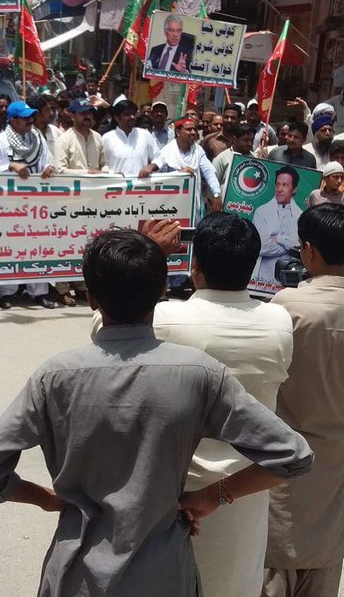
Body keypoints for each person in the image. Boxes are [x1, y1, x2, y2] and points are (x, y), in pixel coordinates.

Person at [0, 228, 313, 596]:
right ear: (162, 292)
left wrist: (45, 499)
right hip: (164, 576)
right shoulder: (199, 374)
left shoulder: (55, 377)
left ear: (91, 299)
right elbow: (293, 456)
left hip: (77, 575)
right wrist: (214, 495)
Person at [139, 213, 295, 597]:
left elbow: (106, 324)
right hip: (243, 489)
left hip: (173, 494)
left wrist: (148, 258)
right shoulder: (278, 322)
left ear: (195, 266)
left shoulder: (166, 319)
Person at [265, 204, 344, 597]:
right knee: (323, 563)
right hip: (336, 453)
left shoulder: (286, 306)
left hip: (285, 450)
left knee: (275, 562)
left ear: (309, 249)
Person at [0, 101, 61, 309]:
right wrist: (10, 165)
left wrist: (49, 168)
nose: (30, 120)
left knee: (37, 245)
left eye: (31, 116)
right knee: (8, 247)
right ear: (13, 120)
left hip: (36, 203)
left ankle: (39, 292)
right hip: (9, 204)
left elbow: (47, 161)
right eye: (25, 117)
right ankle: (6, 292)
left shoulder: (38, 138)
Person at [153, 116, 223, 210]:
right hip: (170, 204)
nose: (193, 132)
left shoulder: (198, 151)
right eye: (189, 129)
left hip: (193, 204)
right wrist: (178, 174)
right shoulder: (167, 152)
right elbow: (158, 179)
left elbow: (209, 172)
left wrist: (216, 193)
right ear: (178, 132)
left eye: (194, 129)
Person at [253, 166, 304, 283]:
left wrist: (278, 239)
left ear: (294, 189)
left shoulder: (301, 216)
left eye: (285, 185)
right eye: (277, 184)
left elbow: (299, 247)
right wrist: (288, 246)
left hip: (290, 277)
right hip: (264, 277)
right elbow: (261, 246)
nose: (279, 189)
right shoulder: (261, 212)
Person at [102, 99, 161, 176]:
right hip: (116, 182)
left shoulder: (144, 135)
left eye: (133, 114)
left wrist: (151, 166)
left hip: (140, 182)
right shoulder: (107, 138)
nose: (132, 117)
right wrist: (112, 173)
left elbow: (159, 158)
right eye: (127, 114)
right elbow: (101, 165)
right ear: (117, 118)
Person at [53, 98, 106, 173]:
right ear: (72, 116)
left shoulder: (97, 137)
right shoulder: (63, 140)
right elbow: (60, 170)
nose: (87, 116)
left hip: (96, 180)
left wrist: (105, 172)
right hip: (74, 181)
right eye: (83, 113)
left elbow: (104, 164)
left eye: (89, 113)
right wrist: (86, 173)